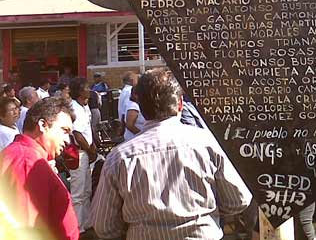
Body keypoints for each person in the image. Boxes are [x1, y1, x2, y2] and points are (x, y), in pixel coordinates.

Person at [91, 68, 252, 239]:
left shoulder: (119, 158)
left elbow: (104, 225)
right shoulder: (207, 143)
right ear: (180, 104)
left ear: (141, 108)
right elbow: (238, 200)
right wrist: (206, 212)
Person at [0, 96, 79, 240]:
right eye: (64, 130)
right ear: (43, 125)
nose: (67, 141)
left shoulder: (28, 157)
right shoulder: (26, 161)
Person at [70, 77, 96, 234]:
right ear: (80, 91)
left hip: (87, 151)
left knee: (87, 190)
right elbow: (78, 134)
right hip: (79, 153)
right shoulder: (75, 108)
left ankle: (87, 222)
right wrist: (89, 150)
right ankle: (77, 227)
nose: (89, 90)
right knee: (78, 192)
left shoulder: (84, 107)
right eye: (86, 87)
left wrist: (93, 146)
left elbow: (87, 130)